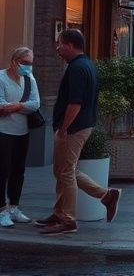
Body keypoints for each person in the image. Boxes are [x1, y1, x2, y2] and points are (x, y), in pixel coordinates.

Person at [36, 28, 121, 235]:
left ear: (70, 45)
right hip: (81, 126)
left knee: (66, 172)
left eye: (59, 44)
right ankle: (65, 210)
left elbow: (75, 103)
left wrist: (64, 128)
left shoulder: (76, 69)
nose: (57, 49)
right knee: (64, 171)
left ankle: (68, 219)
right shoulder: (87, 65)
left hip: (73, 129)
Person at [0, 47, 40, 227]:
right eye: (25, 63)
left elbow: (36, 104)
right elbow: (1, 106)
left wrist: (13, 106)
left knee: (18, 171)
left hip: (22, 132)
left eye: (30, 64)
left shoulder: (30, 79)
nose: (28, 67)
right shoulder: (1, 78)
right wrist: (22, 106)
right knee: (2, 171)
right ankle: (2, 210)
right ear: (14, 61)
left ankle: (14, 207)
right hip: (3, 132)